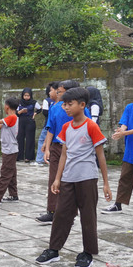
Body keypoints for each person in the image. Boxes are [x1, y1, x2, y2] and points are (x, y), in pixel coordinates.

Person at [35, 87, 111, 267]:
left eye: (70, 104)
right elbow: (63, 155)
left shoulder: (91, 126)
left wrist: (106, 183)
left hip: (87, 178)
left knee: (88, 216)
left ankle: (87, 253)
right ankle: (53, 250)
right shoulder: (66, 127)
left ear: (82, 105)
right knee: (61, 214)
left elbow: (100, 156)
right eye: (64, 104)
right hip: (68, 178)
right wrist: (57, 178)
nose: (66, 108)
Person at [36, 80, 90, 225]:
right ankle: (52, 211)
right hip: (57, 147)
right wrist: (47, 148)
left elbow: (88, 130)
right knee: (54, 179)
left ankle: (70, 213)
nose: (57, 94)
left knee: (72, 182)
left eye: (60, 92)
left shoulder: (83, 109)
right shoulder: (55, 107)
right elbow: (51, 129)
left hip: (75, 150)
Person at [102, 87, 133, 217]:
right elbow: (124, 122)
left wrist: (124, 132)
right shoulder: (130, 107)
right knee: (125, 178)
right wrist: (121, 131)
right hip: (130, 150)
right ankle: (118, 204)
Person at [0, 97, 20, 203]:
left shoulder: (12, 117)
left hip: (9, 150)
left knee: (5, 173)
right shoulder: (10, 119)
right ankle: (13, 194)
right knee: (11, 173)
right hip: (10, 149)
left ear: (7, 106)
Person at [34, 82, 58, 167]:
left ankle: (40, 159)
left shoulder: (47, 101)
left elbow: (45, 112)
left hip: (48, 125)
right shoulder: (61, 104)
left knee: (43, 140)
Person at [17, 87, 39, 162]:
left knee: (30, 139)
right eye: (25, 95)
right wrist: (21, 112)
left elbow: (39, 109)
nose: (26, 97)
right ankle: (19, 156)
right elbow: (16, 113)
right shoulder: (19, 102)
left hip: (30, 121)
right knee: (20, 138)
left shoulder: (33, 102)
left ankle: (29, 157)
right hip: (21, 121)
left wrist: (34, 114)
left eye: (28, 95)